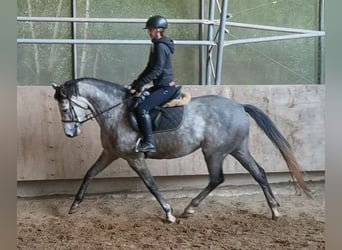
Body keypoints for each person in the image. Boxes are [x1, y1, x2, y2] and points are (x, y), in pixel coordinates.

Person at [130, 15, 178, 153]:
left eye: (150, 30)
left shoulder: (161, 46)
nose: (148, 32)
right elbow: (149, 68)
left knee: (142, 109)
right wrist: (136, 83)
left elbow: (157, 70)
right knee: (137, 101)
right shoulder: (156, 45)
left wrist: (141, 84)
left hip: (165, 88)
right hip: (159, 86)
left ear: (158, 30)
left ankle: (149, 142)